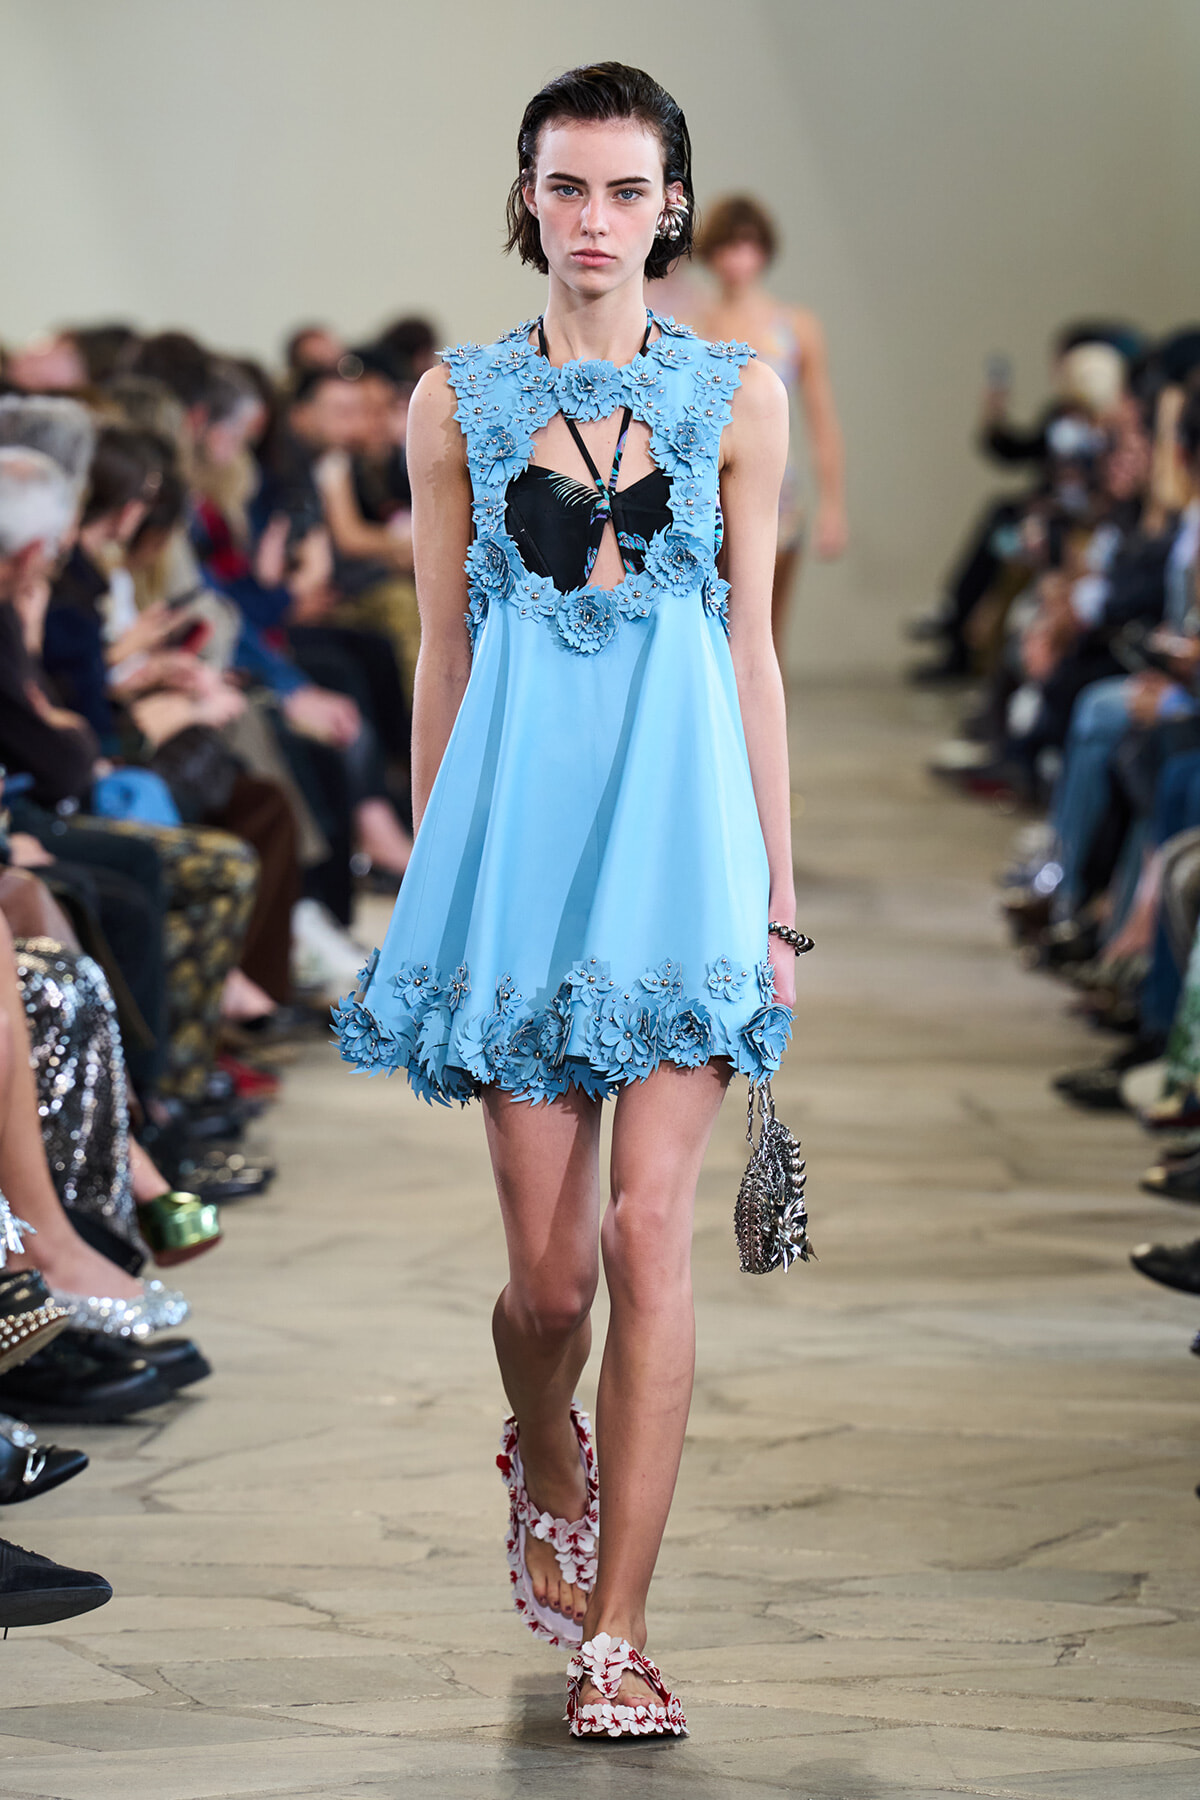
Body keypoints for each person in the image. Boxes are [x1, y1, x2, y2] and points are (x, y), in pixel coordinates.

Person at [335, 61, 798, 1738]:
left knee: (641, 1233)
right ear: (525, 195)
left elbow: (749, 649)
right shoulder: (449, 405)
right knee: (547, 1289)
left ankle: (619, 1636)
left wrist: (777, 902)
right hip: (519, 862)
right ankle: (544, 1437)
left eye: (624, 189)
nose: (594, 220)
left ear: (672, 201)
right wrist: (432, 874)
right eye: (565, 187)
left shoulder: (741, 397)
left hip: (682, 857)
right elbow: (443, 650)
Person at [690, 194, 847, 660]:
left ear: (764, 251)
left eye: (749, 246)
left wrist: (834, 506)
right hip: (705, 493)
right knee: (713, 632)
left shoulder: (796, 326)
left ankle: (766, 734)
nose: (737, 260)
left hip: (780, 493)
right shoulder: (692, 325)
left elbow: (822, 421)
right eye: (726, 246)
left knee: (765, 637)